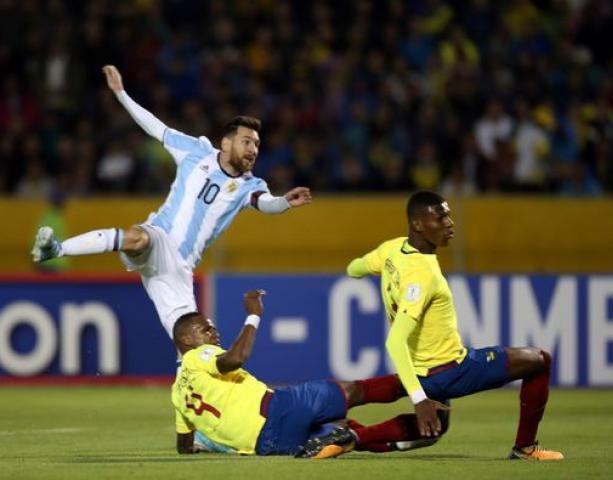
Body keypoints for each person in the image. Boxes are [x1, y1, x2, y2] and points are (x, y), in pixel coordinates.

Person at [31, 65, 312, 337]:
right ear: (226, 144)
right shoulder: (196, 151)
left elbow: (267, 204)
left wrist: (285, 201)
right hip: (158, 237)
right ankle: (55, 249)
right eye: (246, 141)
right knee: (138, 238)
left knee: (191, 341)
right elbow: (156, 127)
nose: (253, 149)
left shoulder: (249, 186)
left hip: (178, 268)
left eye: (256, 144)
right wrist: (121, 94)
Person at [338, 191, 563, 461]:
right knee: (540, 359)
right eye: (440, 217)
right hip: (450, 370)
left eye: (449, 215)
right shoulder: (423, 274)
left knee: (436, 427)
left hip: (422, 370)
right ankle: (525, 448)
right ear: (418, 224)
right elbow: (395, 342)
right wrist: (419, 399)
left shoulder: (392, 250)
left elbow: (354, 268)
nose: (449, 223)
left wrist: (375, 271)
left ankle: (352, 437)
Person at [171, 289, 450, 458]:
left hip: (267, 444)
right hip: (277, 410)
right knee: (351, 392)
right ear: (186, 340)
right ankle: (429, 380)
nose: (213, 332)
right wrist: (253, 315)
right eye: (205, 329)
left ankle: (416, 435)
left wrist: (207, 444)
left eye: (212, 327)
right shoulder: (199, 355)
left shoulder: (177, 394)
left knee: (345, 433)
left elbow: (184, 445)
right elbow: (237, 358)